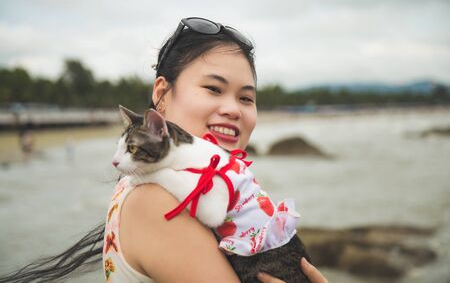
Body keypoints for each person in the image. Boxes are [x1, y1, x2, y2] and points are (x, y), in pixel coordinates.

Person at [0, 17, 328, 283]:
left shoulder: (154, 185)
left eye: (246, 98)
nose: (233, 109)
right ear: (162, 93)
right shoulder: (159, 201)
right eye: (213, 88)